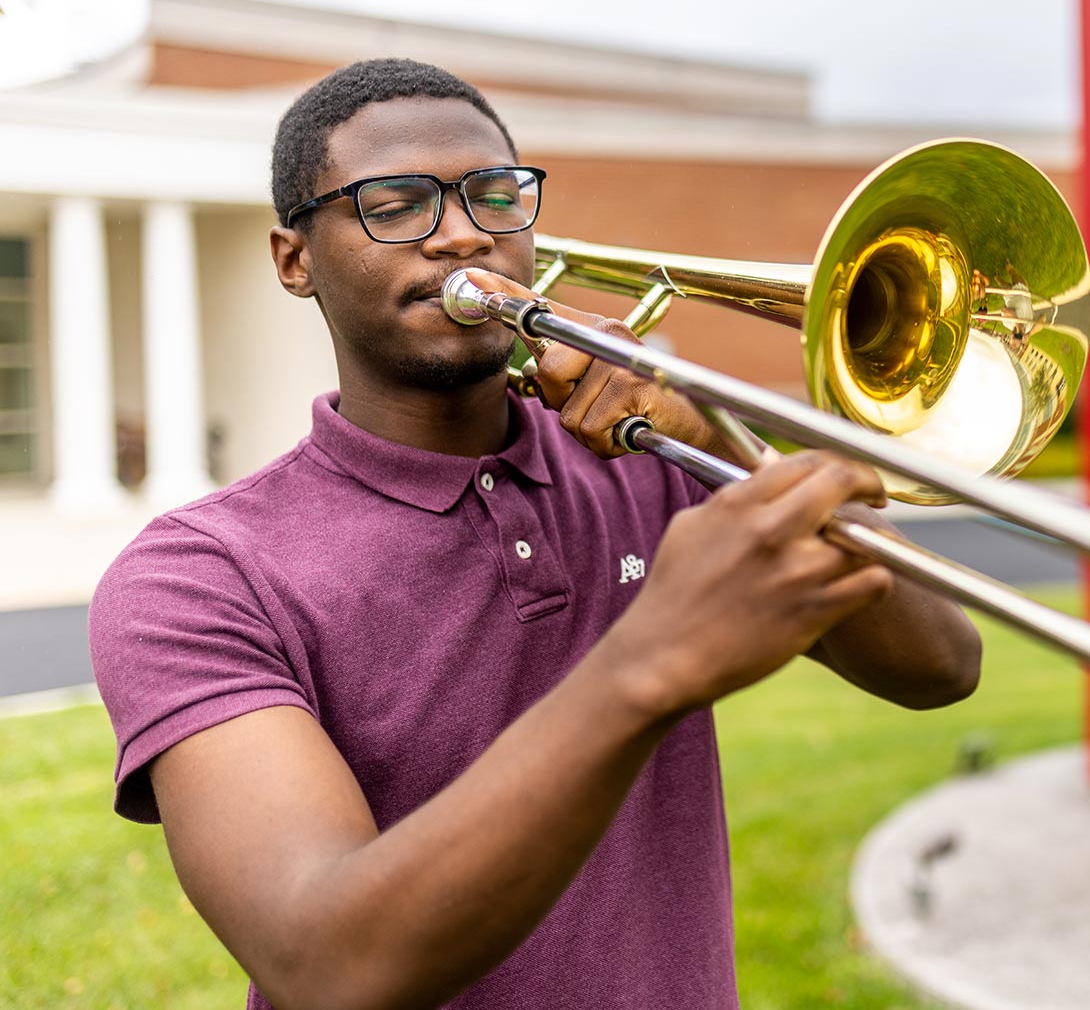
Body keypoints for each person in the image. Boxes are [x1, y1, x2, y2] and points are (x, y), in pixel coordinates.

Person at [88, 57, 982, 1010]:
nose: (465, 234)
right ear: (294, 260)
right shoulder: (197, 577)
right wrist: (650, 661)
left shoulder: (653, 459)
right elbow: (325, 962)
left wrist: (719, 437)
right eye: (396, 205)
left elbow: (940, 664)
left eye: (494, 195)